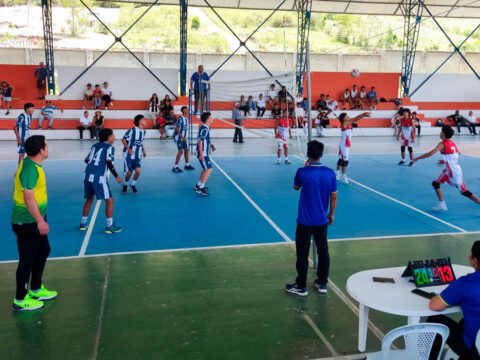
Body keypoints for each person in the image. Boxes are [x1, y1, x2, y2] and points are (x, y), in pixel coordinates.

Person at [285, 140, 338, 296]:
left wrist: (305, 167)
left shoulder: (302, 172)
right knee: (323, 252)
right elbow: (333, 197)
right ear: (321, 154)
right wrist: (331, 214)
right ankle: (322, 283)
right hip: (322, 220)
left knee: (302, 253)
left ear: (308, 154)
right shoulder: (329, 173)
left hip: (305, 221)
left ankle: (301, 286)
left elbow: (296, 187)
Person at [11, 135, 57, 311]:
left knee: (43, 250)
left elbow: (17, 175)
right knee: (27, 259)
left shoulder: (30, 164)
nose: (48, 149)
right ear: (41, 150)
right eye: (46, 146)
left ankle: (36, 288)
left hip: (34, 219)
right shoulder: (31, 169)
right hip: (27, 221)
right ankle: (20, 300)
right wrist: (40, 221)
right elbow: (28, 197)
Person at [427, 240, 480, 360]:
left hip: (472, 346)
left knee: (435, 320)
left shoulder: (466, 283)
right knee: (463, 322)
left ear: (474, 260)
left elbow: (434, 305)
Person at [413, 125, 480, 211]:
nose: (440, 133)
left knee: (463, 192)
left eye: (441, 132)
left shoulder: (442, 144)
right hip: (450, 170)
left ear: (443, 134)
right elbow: (457, 154)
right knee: (435, 183)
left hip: (454, 172)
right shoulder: (452, 143)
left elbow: (430, 154)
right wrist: (445, 160)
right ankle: (442, 205)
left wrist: (417, 158)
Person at [80, 128, 123, 234]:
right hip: (99, 177)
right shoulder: (110, 148)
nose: (114, 137)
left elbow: (87, 160)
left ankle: (83, 224)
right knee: (109, 200)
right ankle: (109, 226)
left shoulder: (95, 146)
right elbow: (109, 163)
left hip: (87, 175)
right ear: (108, 137)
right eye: (113, 135)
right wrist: (116, 176)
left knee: (89, 199)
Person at [336, 112, 371, 184]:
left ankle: (337, 172)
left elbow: (355, 119)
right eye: (346, 116)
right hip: (344, 145)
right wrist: (363, 114)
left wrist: (362, 115)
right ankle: (343, 176)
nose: (348, 116)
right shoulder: (345, 123)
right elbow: (355, 119)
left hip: (345, 144)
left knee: (341, 158)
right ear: (343, 119)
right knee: (345, 161)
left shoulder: (347, 122)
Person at [122, 115, 147, 194]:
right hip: (128, 155)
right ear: (139, 121)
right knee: (129, 172)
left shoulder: (144, 131)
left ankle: (132, 184)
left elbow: (140, 142)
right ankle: (125, 184)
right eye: (143, 119)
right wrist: (128, 149)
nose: (145, 121)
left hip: (137, 155)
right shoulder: (132, 130)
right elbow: (123, 140)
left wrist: (143, 150)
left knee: (138, 171)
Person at [195, 112, 215, 196]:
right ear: (207, 119)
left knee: (205, 168)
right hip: (203, 153)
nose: (212, 119)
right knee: (209, 169)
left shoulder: (205, 127)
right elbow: (200, 141)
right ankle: (201, 188)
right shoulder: (205, 129)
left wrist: (211, 144)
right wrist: (201, 154)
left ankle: (198, 185)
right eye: (211, 117)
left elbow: (204, 139)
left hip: (203, 152)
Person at [172, 106, 195, 173]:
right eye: (186, 109)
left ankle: (187, 165)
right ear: (183, 111)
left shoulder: (186, 119)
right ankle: (175, 167)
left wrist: (185, 137)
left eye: (188, 109)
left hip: (184, 138)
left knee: (186, 150)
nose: (188, 110)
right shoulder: (180, 119)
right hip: (180, 138)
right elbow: (177, 129)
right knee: (181, 151)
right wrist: (182, 137)